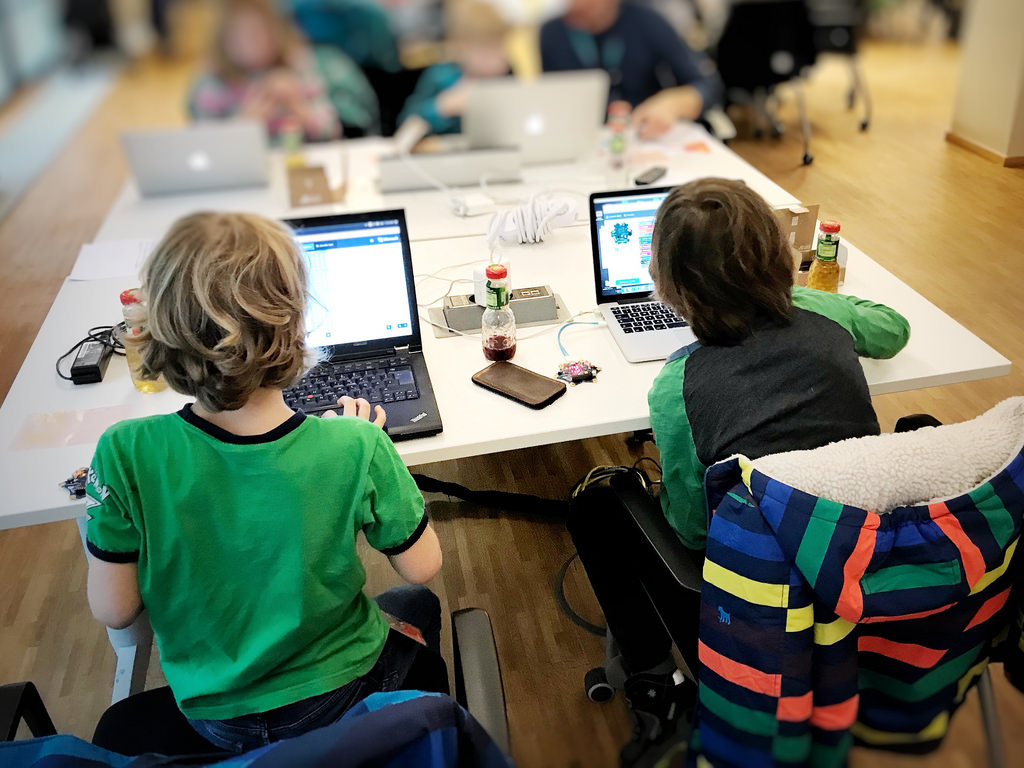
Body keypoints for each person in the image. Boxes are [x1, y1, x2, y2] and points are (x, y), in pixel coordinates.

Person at [567, 178, 910, 766]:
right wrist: (809, 298)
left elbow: (692, 527)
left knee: (597, 502)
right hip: (858, 569)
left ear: (666, 285)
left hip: (755, 612)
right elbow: (893, 329)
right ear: (781, 255)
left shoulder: (677, 385)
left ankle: (653, 675)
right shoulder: (822, 315)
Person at [85, 212, 444, 753]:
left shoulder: (125, 450)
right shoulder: (353, 443)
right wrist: (373, 452)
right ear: (294, 325)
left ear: (158, 326)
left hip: (214, 717)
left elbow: (114, 610)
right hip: (342, 694)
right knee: (416, 601)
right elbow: (423, 565)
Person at [540, 0, 722, 139]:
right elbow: (550, 99)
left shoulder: (647, 22)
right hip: (582, 140)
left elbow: (707, 85)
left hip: (643, 134)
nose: (576, 5)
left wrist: (671, 104)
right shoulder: (551, 33)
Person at [189, 0, 344, 141]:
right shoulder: (213, 87)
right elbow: (206, 144)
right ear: (223, 40)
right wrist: (244, 122)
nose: (249, 43)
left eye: (258, 33)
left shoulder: (299, 70)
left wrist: (297, 105)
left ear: (277, 32)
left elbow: (333, 130)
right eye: (238, 35)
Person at [396, 0, 510, 136]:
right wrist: (442, 106)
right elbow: (405, 123)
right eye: (485, 49)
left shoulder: (508, 78)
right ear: (459, 46)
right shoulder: (440, 76)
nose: (495, 58)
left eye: (500, 47)